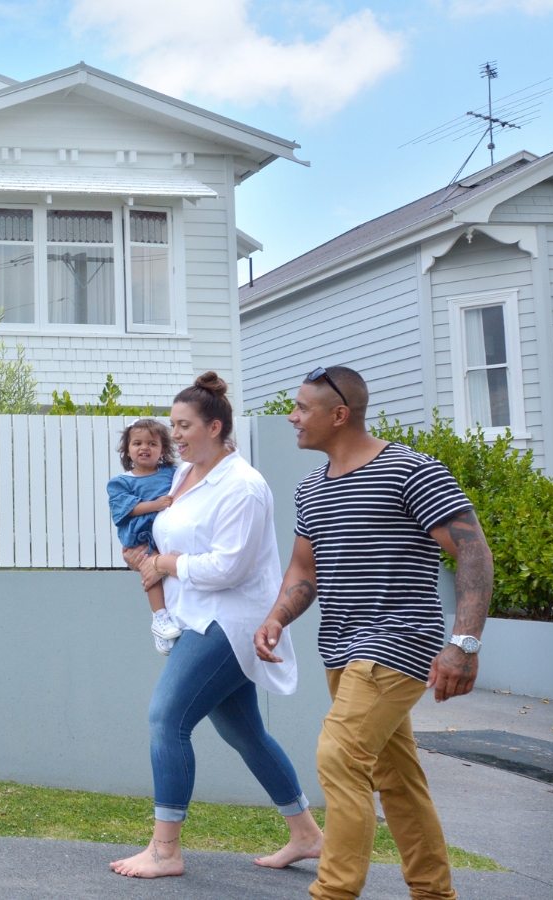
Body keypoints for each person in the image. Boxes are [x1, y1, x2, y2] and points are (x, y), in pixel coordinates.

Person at [254, 366, 490, 900]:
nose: (292, 416)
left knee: (338, 756)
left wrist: (464, 643)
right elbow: (305, 570)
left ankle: (333, 892)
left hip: (398, 640)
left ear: (339, 415)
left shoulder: (413, 471)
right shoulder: (311, 487)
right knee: (398, 779)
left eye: (302, 408)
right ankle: (434, 892)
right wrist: (275, 617)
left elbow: (473, 549)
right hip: (340, 647)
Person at [110, 372, 324, 879]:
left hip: (230, 623)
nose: (175, 436)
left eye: (184, 426)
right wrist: (145, 555)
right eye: (173, 426)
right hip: (196, 618)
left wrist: (164, 565)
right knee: (245, 733)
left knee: (167, 718)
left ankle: (165, 850)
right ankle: (307, 834)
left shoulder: (243, 487)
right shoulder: (184, 476)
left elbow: (230, 567)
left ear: (215, 426)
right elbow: (167, 532)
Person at [106, 419, 183, 655]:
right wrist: (155, 505)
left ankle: (167, 626)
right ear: (127, 449)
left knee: (169, 575)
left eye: (152, 443)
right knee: (152, 571)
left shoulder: (173, 473)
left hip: (168, 535)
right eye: (137, 443)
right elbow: (124, 509)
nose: (144, 447)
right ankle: (159, 617)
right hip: (141, 535)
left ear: (162, 449)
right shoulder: (121, 482)